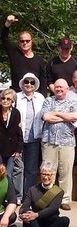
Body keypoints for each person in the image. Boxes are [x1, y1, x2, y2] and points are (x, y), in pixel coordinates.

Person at [41, 78, 77, 210]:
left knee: (65, 171)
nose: (59, 89)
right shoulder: (48, 101)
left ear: (67, 89)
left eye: (62, 87)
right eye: (57, 87)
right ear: (53, 89)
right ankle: (48, 198)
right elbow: (46, 117)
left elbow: (75, 116)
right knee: (48, 170)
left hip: (67, 142)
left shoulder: (73, 101)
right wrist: (65, 116)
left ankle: (65, 199)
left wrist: (56, 113)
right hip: (49, 141)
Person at [19, 161, 70, 227]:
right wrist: (22, 215)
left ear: (53, 175)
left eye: (49, 174)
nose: (46, 177)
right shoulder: (32, 189)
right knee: (27, 211)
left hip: (50, 220)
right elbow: (24, 206)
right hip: (35, 221)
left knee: (65, 220)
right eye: (44, 174)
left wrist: (36, 214)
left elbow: (53, 209)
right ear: (40, 174)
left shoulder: (58, 191)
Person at [0, 15, 46, 95]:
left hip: (34, 96)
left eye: (27, 41)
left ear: (32, 42)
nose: (25, 43)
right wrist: (7, 24)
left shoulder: (39, 60)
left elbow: (43, 80)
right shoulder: (15, 54)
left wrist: (43, 97)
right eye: (22, 41)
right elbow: (4, 38)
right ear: (19, 42)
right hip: (17, 94)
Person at [16, 73, 45, 196]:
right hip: (19, 138)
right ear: (22, 83)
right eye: (26, 82)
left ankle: (29, 195)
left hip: (34, 138)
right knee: (18, 169)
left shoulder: (40, 98)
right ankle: (18, 195)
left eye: (32, 82)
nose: (29, 84)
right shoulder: (16, 97)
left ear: (35, 85)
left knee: (31, 170)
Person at [0, 89, 23, 202]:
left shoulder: (16, 113)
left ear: (12, 101)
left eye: (8, 99)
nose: (5, 101)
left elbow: (18, 131)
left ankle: (10, 198)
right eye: (3, 98)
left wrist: (18, 149)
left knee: (9, 175)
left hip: (11, 149)